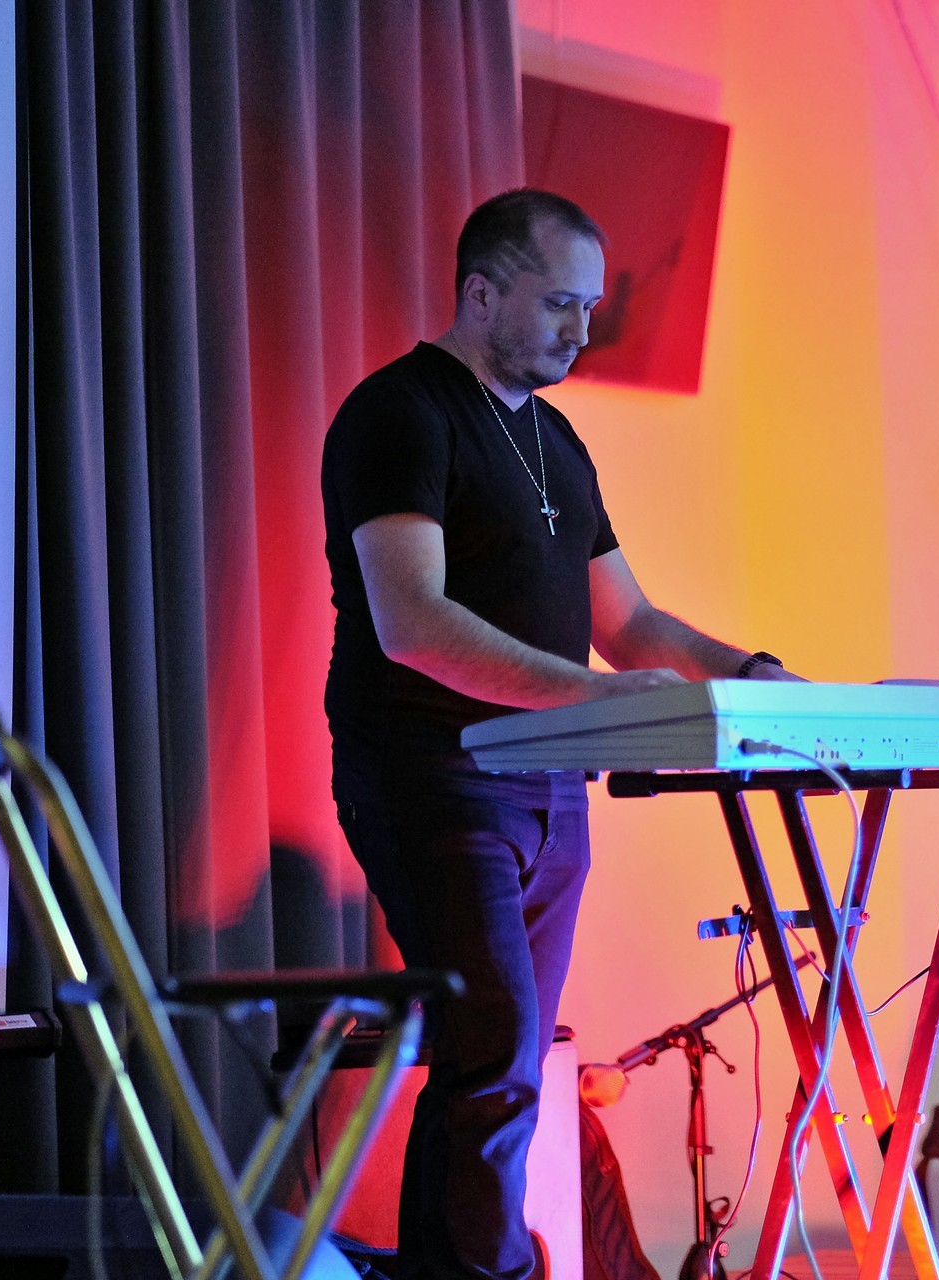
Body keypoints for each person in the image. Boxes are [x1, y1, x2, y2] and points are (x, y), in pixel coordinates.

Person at [321, 188, 798, 1280]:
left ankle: (450, 1267)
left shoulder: (557, 440)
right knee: (495, 1052)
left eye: (590, 307)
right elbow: (412, 622)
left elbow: (629, 625)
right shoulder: (400, 414)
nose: (582, 330)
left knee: (505, 1059)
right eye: (559, 304)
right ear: (482, 292)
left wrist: (752, 676)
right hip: (434, 774)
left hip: (547, 782)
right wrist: (592, 701)